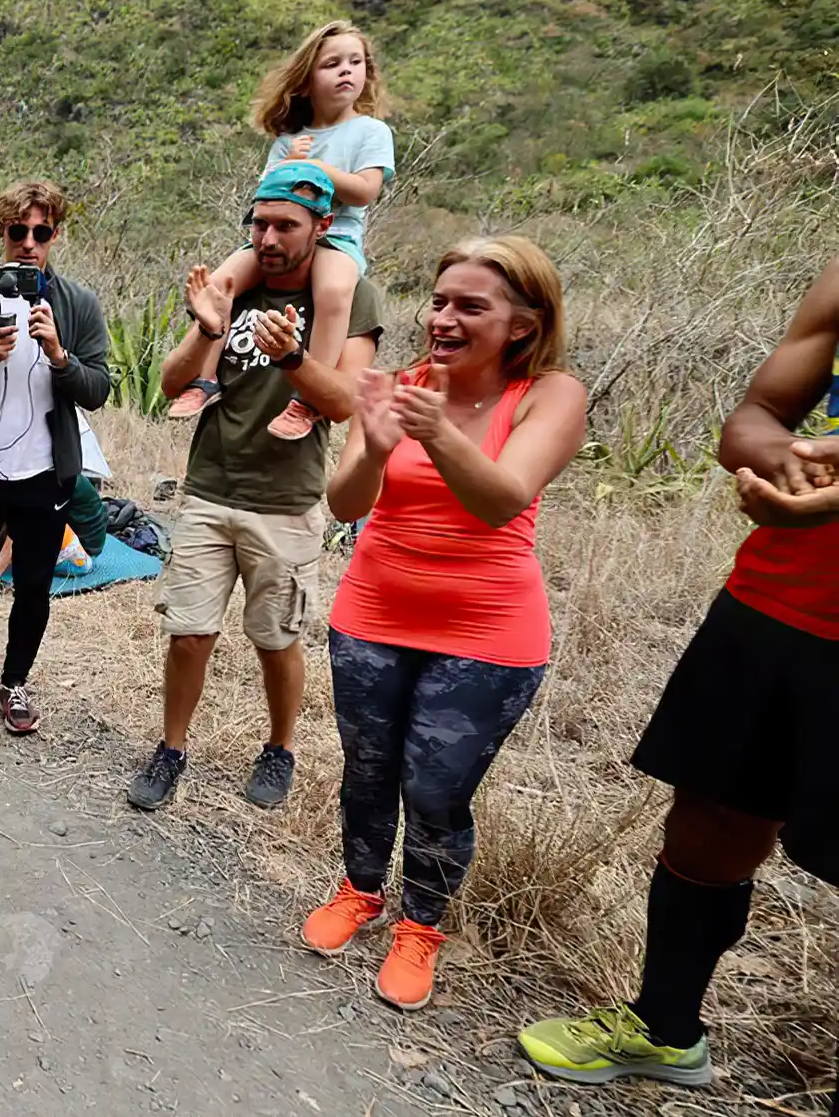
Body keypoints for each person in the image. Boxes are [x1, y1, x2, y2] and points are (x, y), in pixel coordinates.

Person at [518, 258, 839, 1101]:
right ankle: (665, 1030)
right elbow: (756, 420)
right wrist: (795, 460)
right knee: (712, 823)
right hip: (774, 603)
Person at [307, 237, 585, 1009]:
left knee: (435, 788)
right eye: (438, 302)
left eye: (471, 307)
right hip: (372, 613)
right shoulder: (397, 386)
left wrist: (433, 432)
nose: (444, 319)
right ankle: (361, 891)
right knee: (367, 771)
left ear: (523, 325)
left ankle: (421, 925)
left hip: (488, 635)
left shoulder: (550, 395)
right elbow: (347, 504)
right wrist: (377, 447)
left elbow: (502, 497)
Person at [130, 163, 385, 812]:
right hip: (211, 487)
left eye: (285, 227)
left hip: (286, 500)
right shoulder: (233, 286)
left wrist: (293, 360)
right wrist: (210, 329)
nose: (269, 238)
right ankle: (172, 748)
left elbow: (346, 401)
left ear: (323, 227)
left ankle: (279, 747)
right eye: (260, 225)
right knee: (189, 633)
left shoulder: (351, 294)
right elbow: (169, 383)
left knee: (276, 638)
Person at [0, 180, 112, 733]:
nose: (30, 243)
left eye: (42, 232)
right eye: (19, 231)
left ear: (55, 235)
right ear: (2, 233)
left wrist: (60, 356)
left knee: (34, 586)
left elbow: (99, 389)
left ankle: (15, 681)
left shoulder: (78, 305)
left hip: (45, 472)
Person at [169, 20, 394, 443]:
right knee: (220, 285)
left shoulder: (370, 131)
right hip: (282, 232)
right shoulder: (290, 139)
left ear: (367, 72)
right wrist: (289, 161)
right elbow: (268, 196)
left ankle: (308, 397)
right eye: (332, 64)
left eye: (355, 62)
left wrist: (311, 169)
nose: (346, 70)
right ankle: (204, 379)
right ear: (307, 80)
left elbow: (364, 191)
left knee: (333, 292)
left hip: (337, 237)